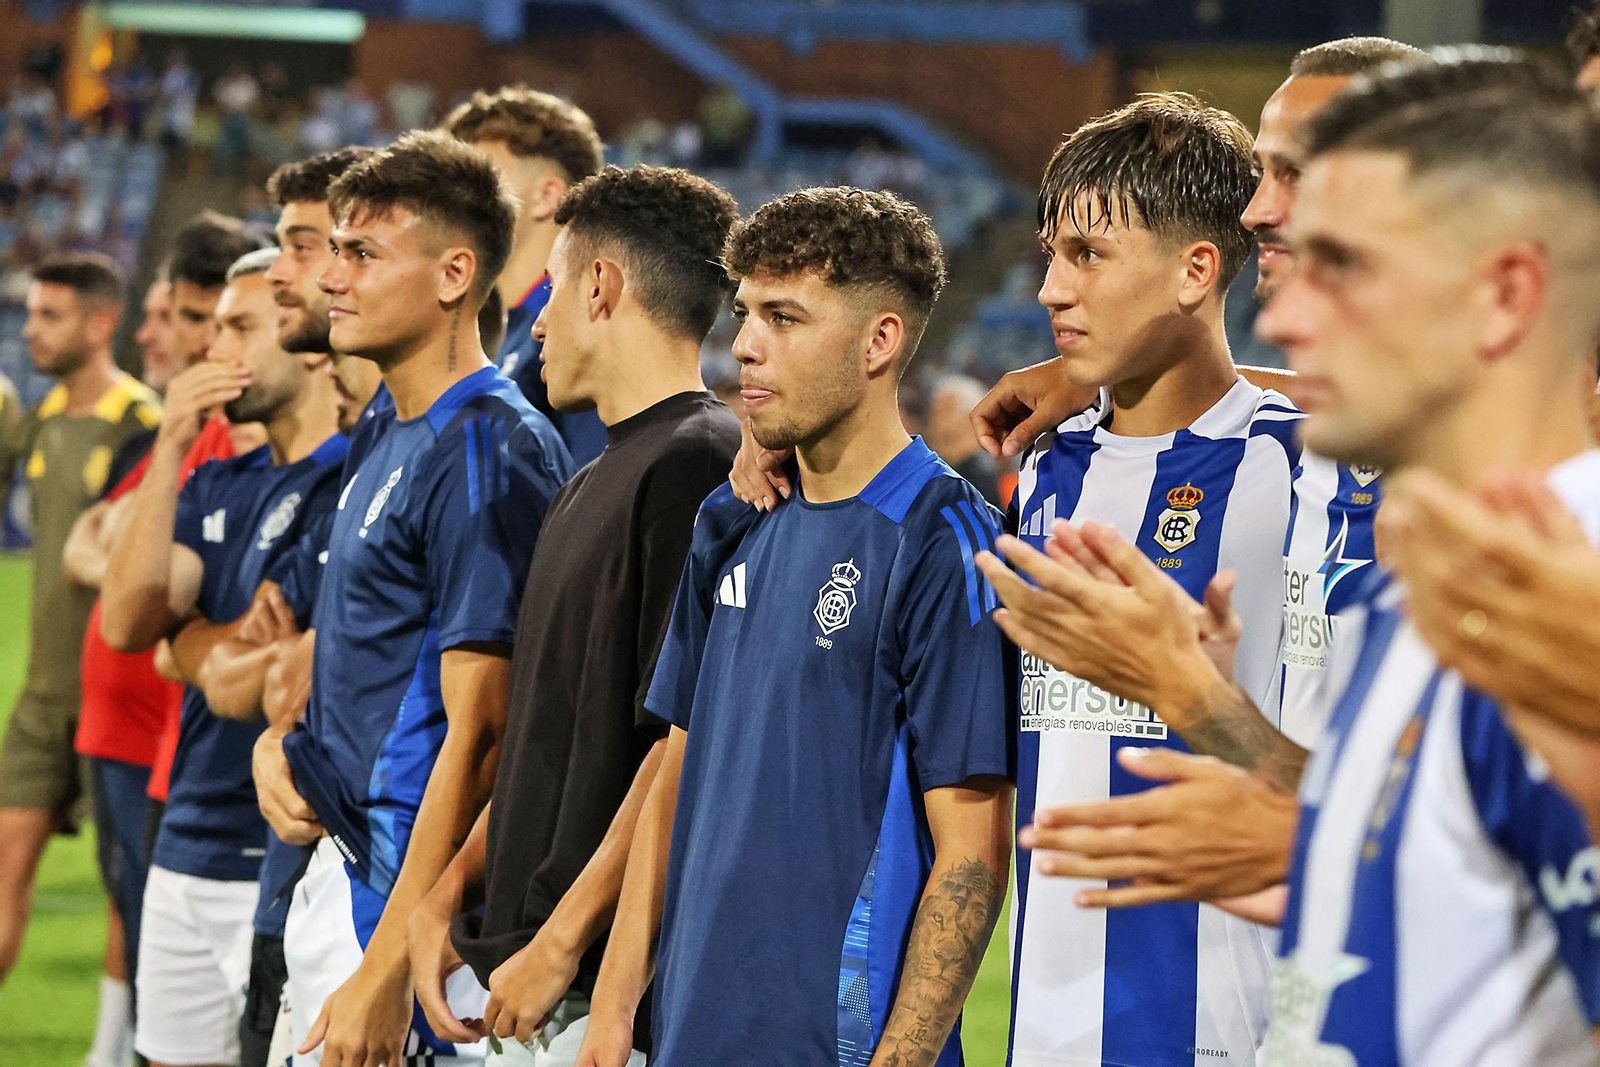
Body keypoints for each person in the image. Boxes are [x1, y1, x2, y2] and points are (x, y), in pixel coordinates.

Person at [985, 50, 1600, 1064]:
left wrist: (1195, 708)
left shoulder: (1549, 584)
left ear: (1504, 288)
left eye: (1342, 261)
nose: (1284, 310)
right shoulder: (1435, 562)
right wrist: (1207, 709)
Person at [959, 38, 1426, 919]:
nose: (1257, 210)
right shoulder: (1050, 465)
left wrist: (1193, 695)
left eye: (1088, 254)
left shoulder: (1311, 459)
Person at [577, 187, 1013, 1067]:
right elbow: (676, 771)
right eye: (743, 312)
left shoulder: (943, 539)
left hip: (831, 1045)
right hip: (688, 1035)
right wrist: (616, 1007)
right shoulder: (731, 518)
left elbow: (971, 851)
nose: (743, 344)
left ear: (879, 340)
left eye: (783, 316)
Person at [404, 163, 743, 1067]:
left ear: (601, 285)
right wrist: (449, 893)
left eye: (551, 285)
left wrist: (563, 941)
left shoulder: (698, 465)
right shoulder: (591, 477)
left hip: (595, 999)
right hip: (521, 981)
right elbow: (549, 737)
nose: (537, 319)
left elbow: (677, 749)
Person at [247, 131, 573, 1066]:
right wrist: (284, 749)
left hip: (398, 915)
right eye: (333, 251)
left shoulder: (489, 452)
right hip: (339, 872)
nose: (331, 278)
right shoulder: (390, 418)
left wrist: (388, 967)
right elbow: (369, 659)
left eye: (361, 253)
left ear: (453, 274)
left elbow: (485, 734)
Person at [99, 248, 349, 1067]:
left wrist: (194, 646)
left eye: (241, 326)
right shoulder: (217, 482)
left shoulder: (345, 483)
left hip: (277, 855)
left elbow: (282, 680)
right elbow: (130, 621)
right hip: (186, 839)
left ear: (308, 341)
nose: (215, 350)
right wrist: (172, 443)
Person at [0, 256, 161, 994]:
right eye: (31, 314)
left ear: (100, 324)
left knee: (126, 885)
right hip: (42, 695)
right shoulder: (37, 420)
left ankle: (109, 1043)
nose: (30, 328)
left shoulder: (142, 425)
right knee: (6, 865)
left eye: (49, 315)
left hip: (119, 696)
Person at [444, 85, 611, 464]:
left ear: (546, 196)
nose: (449, 196)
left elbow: (596, 491)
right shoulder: (482, 327)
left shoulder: (588, 326)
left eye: (475, 177)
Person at [920, 374, 1002, 506]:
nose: (933, 416)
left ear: (970, 416)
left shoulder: (978, 481)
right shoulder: (936, 472)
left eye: (945, 409)